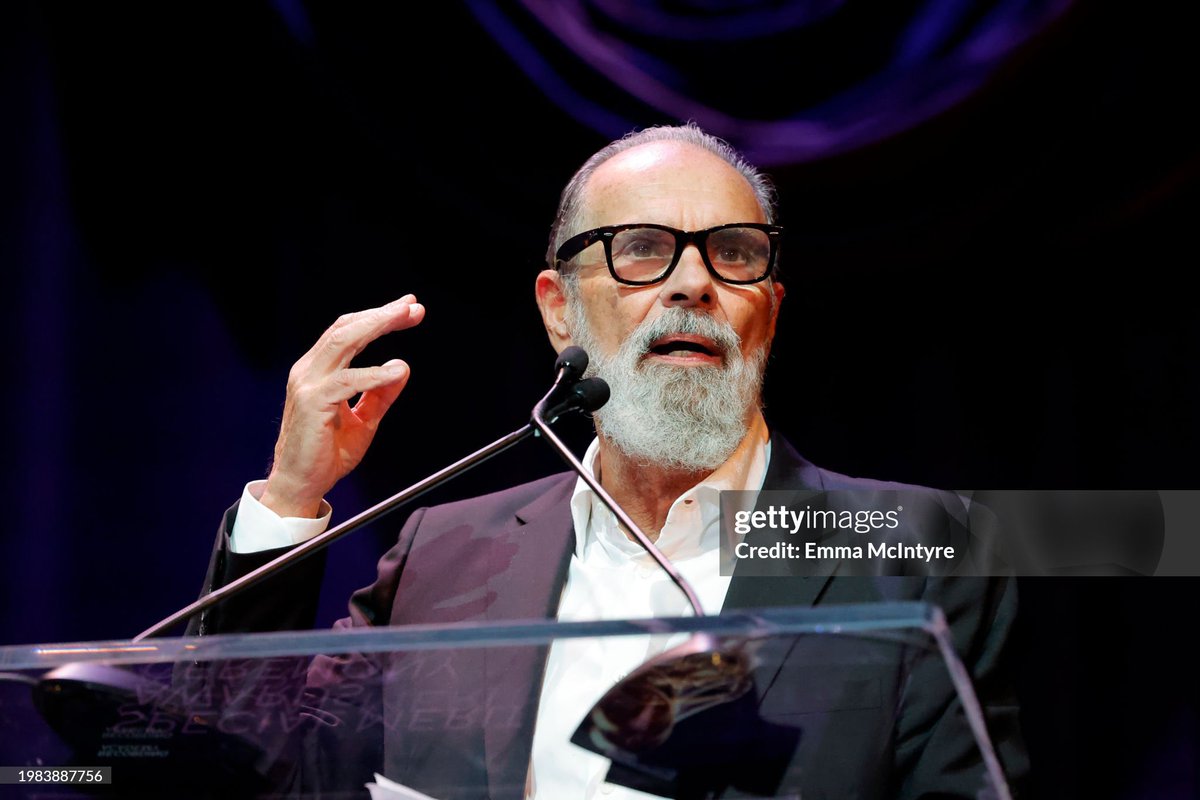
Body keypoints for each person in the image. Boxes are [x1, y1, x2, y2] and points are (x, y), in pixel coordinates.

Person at [193, 124, 1027, 799]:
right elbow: (248, 773)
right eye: (641, 249)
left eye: (734, 252)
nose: (693, 282)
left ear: (767, 312)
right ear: (560, 311)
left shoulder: (913, 549)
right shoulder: (443, 555)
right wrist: (291, 496)